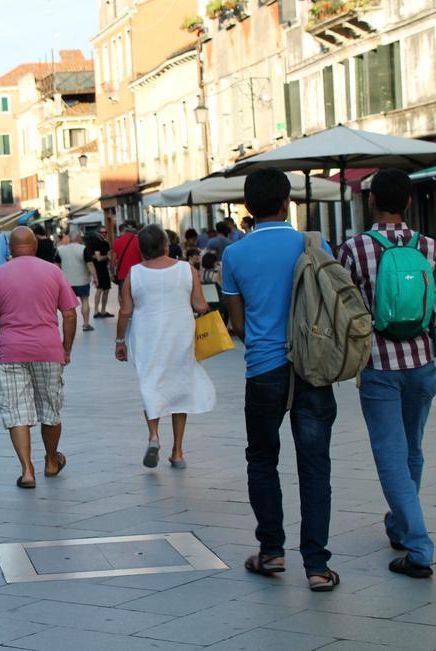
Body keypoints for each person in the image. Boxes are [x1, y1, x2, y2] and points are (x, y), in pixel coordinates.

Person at [222, 168, 340, 592]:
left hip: (265, 369)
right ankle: (317, 567)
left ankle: (271, 550)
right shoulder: (314, 243)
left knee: (262, 460)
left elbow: (237, 325)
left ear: (248, 209)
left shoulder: (234, 256)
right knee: (314, 465)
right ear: (287, 203)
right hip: (313, 366)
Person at [339, 169, 434, 578]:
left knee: (391, 455)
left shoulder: (354, 248)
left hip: (378, 364)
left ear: (371, 200)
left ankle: (418, 547)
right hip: (424, 362)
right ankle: (399, 525)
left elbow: (344, 308)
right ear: (409, 203)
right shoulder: (430, 247)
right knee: (412, 447)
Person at [0, 226, 77, 488]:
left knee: (16, 411)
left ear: (10, 249)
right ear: (34, 246)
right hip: (48, 349)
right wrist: (66, 347)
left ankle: (27, 471)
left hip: (10, 352)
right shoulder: (53, 271)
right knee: (50, 408)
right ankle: (51, 460)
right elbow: (69, 314)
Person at [115, 225, 215, 469]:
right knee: (180, 386)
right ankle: (178, 451)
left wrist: (119, 341)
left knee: (150, 384)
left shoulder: (134, 273)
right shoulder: (185, 269)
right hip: (180, 334)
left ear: (141, 250)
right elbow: (200, 305)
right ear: (166, 245)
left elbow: (125, 311)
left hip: (146, 336)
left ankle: (153, 436)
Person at [55, 232, 96, 331]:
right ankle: (86, 324)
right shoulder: (83, 249)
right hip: (82, 281)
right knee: (85, 301)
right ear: (78, 237)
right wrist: (95, 277)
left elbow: (56, 264)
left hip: (67, 282)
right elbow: (90, 264)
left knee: (68, 305)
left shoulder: (61, 250)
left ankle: (69, 324)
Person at [111, 220, 142, 295]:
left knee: (123, 298)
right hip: (137, 275)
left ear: (125, 229)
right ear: (136, 229)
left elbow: (113, 260)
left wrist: (112, 273)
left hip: (123, 275)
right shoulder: (140, 241)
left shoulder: (117, 241)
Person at [89, 226, 113, 318]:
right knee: (100, 289)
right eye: (101, 232)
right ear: (98, 233)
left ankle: (102, 311)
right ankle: (96, 311)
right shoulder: (97, 243)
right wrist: (107, 256)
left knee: (106, 290)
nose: (103, 234)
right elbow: (98, 258)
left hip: (104, 268)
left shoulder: (105, 243)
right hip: (99, 269)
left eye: (105, 232)